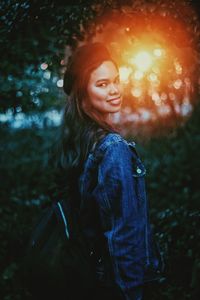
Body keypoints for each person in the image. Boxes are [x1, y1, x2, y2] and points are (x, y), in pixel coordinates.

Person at [53, 42, 163, 300]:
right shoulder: (112, 148)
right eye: (102, 84)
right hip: (116, 285)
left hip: (92, 276)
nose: (114, 90)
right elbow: (123, 236)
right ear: (83, 92)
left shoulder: (81, 141)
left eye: (116, 80)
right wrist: (132, 293)